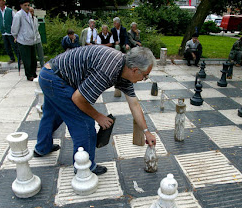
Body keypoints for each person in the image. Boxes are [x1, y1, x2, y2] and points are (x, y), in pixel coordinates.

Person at [34, 46, 157, 176]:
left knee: (52, 115)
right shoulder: (109, 70)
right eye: (145, 75)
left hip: (49, 74)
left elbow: (134, 104)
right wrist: (98, 117)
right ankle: (84, 167)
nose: (144, 79)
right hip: (56, 79)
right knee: (84, 122)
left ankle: (42, 148)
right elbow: (78, 99)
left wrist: (146, 132)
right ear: (135, 70)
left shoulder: (124, 69)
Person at [11, 0, 37, 81]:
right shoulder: (18, 15)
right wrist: (16, 37)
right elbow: (14, 29)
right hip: (23, 40)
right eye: (25, 5)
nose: (27, 7)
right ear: (21, 6)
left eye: (28, 5)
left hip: (31, 40)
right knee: (27, 60)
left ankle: (33, 73)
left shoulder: (29, 14)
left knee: (33, 59)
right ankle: (29, 75)